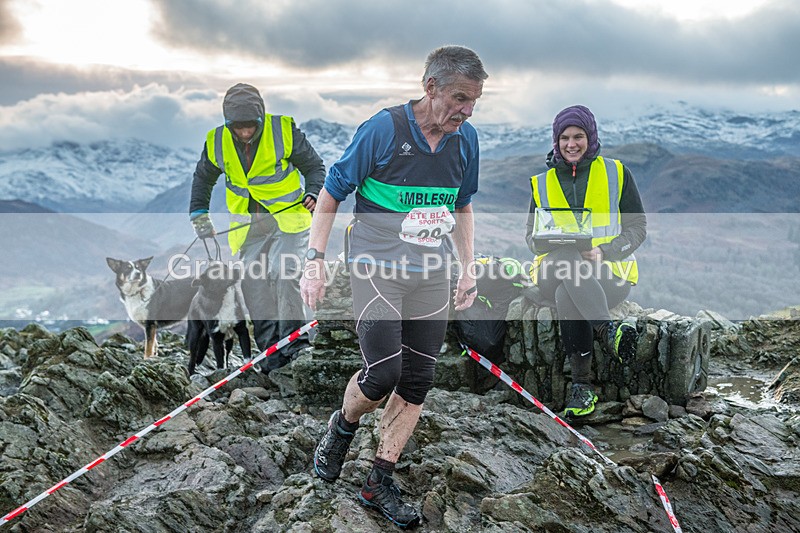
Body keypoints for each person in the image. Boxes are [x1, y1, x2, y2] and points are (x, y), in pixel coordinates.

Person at [300, 45, 487, 528]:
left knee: (419, 380)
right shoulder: (383, 130)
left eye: (474, 102)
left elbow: (462, 207)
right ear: (431, 88)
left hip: (431, 275)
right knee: (383, 373)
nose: (466, 112)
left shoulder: (465, 143)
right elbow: (332, 193)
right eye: (460, 99)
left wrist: (467, 269)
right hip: (375, 268)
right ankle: (342, 427)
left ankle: (378, 478)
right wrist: (315, 262)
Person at [189, 83, 325, 373]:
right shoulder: (216, 141)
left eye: (251, 126)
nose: (245, 132)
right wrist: (199, 214)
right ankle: (270, 355)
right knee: (254, 283)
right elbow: (203, 179)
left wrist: (313, 191)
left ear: (261, 117)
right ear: (229, 123)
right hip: (248, 226)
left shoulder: (284, 131)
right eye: (238, 127)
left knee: (284, 272)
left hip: (289, 220)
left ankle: (296, 347)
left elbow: (315, 167)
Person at [525, 105, 647, 419]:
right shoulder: (543, 181)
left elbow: (638, 228)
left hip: (608, 276)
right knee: (566, 257)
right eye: (564, 137)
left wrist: (605, 251)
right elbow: (530, 238)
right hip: (552, 271)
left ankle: (581, 387)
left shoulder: (617, 172)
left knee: (570, 290)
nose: (571, 144)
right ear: (556, 140)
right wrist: (548, 241)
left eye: (578, 136)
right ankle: (608, 332)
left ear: (590, 137)